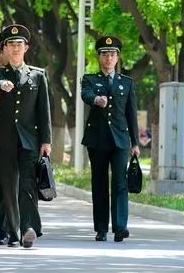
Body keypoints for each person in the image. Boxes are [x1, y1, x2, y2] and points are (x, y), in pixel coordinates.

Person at [0, 24, 51, 248]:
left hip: (29, 140)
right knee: (9, 186)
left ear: (26, 47)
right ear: (4, 49)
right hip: (3, 140)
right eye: (11, 44)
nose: (15, 48)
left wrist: (46, 141)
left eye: (19, 44)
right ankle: (13, 231)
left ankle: (28, 228)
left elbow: (44, 112)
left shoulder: (38, 76)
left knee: (27, 185)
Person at [81, 35, 139, 242]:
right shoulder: (89, 79)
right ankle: (101, 228)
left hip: (121, 140)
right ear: (99, 57)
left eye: (112, 54)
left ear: (117, 58)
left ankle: (120, 227)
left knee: (120, 183)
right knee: (99, 183)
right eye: (104, 54)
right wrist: (96, 99)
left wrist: (135, 143)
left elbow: (131, 114)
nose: (108, 58)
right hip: (97, 140)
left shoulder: (127, 83)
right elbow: (85, 95)